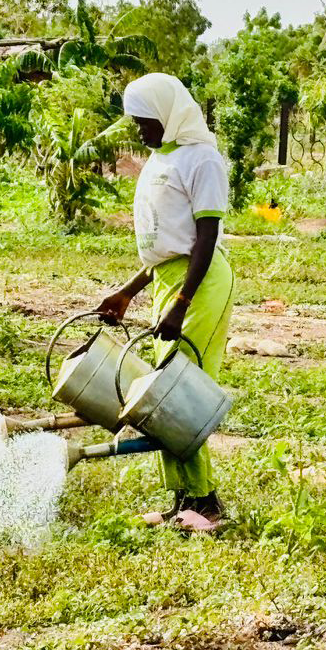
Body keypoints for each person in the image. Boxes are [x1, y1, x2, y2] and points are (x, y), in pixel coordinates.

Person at [96, 73, 234, 527]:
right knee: (158, 390)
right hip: (166, 279)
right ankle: (183, 499)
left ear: (168, 114)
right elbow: (167, 245)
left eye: (143, 120)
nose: (139, 130)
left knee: (178, 392)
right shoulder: (160, 159)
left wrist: (181, 301)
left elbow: (205, 238)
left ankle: (206, 502)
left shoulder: (202, 160)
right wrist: (128, 293)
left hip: (200, 283)